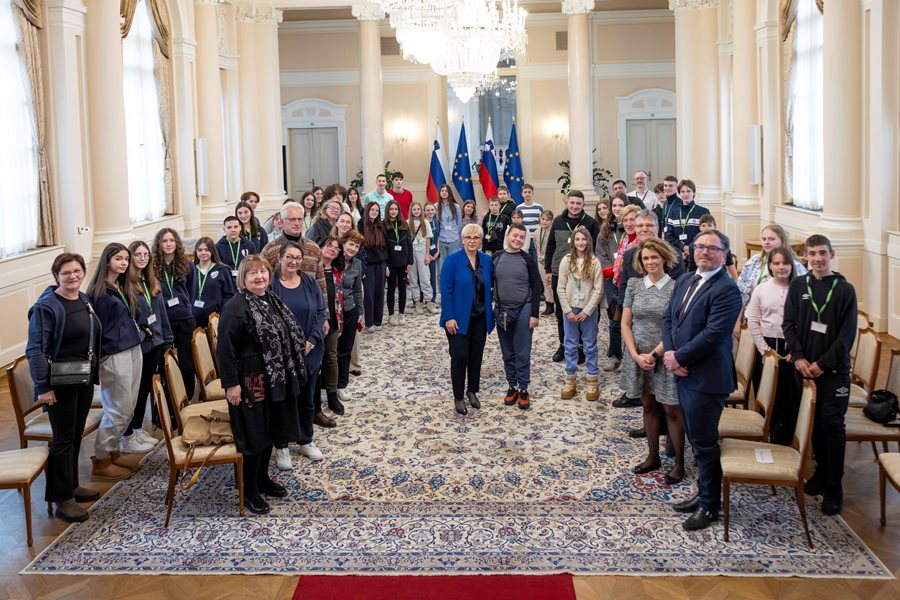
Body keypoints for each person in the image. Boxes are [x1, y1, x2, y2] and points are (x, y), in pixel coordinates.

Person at [662, 229, 742, 531]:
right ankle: (703, 494)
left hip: (706, 379)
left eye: (712, 248)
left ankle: (709, 506)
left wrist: (679, 358)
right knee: (696, 440)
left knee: (705, 444)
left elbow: (714, 334)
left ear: (724, 254)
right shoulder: (685, 280)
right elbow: (669, 318)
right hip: (683, 372)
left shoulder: (727, 289)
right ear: (692, 250)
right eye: (700, 247)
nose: (705, 252)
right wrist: (670, 353)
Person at [218, 255, 306, 514]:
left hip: (273, 376)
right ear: (243, 278)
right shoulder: (235, 307)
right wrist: (231, 385)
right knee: (254, 434)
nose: (259, 277)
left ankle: (262, 479)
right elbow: (225, 350)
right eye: (252, 273)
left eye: (263, 272)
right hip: (250, 379)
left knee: (269, 430)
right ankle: (249, 489)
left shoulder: (270, 299)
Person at [782, 234, 857, 516]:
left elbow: (846, 336)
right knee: (813, 423)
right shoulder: (799, 285)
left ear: (832, 254)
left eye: (822, 253)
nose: (817, 259)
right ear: (805, 256)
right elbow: (788, 324)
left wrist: (823, 364)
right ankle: (820, 474)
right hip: (803, 368)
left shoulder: (845, 290)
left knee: (832, 424)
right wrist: (799, 357)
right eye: (812, 253)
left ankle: (835, 486)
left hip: (833, 371)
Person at [26, 253, 102, 522]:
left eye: (77, 271)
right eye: (66, 272)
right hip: (59, 384)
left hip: (82, 378)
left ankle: (72, 486)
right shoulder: (46, 307)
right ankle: (62, 499)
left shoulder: (82, 298)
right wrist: (43, 387)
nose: (73, 276)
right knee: (62, 439)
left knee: (75, 434)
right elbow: (35, 349)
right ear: (56, 276)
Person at [621, 238, 684, 483]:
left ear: (664, 259)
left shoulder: (676, 287)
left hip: (665, 356)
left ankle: (678, 463)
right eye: (646, 258)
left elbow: (676, 327)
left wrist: (654, 354)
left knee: (671, 409)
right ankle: (652, 457)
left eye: (654, 257)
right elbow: (626, 323)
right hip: (638, 356)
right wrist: (635, 355)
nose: (650, 262)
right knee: (648, 406)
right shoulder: (634, 285)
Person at [86, 243, 145, 480]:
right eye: (119, 258)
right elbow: (97, 330)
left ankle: (113, 452)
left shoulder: (121, 286)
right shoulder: (99, 293)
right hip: (114, 353)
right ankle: (101, 459)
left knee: (129, 406)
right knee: (118, 409)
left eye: (126, 259)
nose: (124, 263)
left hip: (132, 346)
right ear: (107, 261)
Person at [270, 241, 331, 456]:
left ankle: (306, 439)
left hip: (309, 350)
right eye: (289, 257)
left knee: (307, 398)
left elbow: (320, 312)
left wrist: (312, 340)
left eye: (298, 258)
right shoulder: (271, 285)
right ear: (280, 258)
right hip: (282, 353)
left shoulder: (309, 282)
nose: (293, 262)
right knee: (283, 400)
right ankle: (281, 445)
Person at [745, 247, 800, 446]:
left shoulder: (799, 289)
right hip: (768, 346)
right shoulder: (761, 289)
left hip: (793, 348)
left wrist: (796, 351)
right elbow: (753, 321)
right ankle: (772, 432)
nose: (781, 267)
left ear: (791, 265)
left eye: (785, 263)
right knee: (771, 393)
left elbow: (804, 322)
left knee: (791, 394)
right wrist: (765, 351)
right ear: (769, 266)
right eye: (776, 263)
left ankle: (790, 436)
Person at [440, 223, 495, 415]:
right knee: (460, 356)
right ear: (462, 240)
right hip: (457, 319)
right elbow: (445, 290)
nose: (472, 241)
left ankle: (472, 390)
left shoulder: (486, 260)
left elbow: (493, 284)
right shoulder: (452, 261)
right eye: (468, 237)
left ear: (481, 241)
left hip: (480, 317)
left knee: (476, 355)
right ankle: (458, 396)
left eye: (476, 237)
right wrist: (448, 317)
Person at [544, 190, 601, 363]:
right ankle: (564, 344)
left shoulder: (591, 223)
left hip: (584, 273)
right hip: (560, 271)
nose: (575, 206)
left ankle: (582, 346)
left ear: (583, 205)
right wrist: (548, 269)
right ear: (566, 202)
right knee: (562, 310)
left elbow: (596, 248)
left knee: (585, 310)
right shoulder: (558, 221)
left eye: (578, 203)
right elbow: (550, 245)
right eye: (572, 202)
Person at [126, 241, 171, 454]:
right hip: (139, 346)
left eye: (146, 254)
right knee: (135, 391)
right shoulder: (127, 286)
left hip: (155, 343)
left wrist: (167, 340)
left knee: (145, 388)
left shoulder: (151, 282)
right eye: (138, 254)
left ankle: (137, 429)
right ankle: (128, 434)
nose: (143, 258)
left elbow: (161, 315)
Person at [493, 224, 543, 410]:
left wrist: (534, 314)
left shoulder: (527, 259)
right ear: (507, 235)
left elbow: (537, 287)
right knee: (507, 351)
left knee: (522, 351)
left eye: (522, 237)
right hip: (502, 311)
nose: (518, 239)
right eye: (515, 235)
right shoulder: (497, 257)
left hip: (524, 309)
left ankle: (523, 388)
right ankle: (512, 385)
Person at [557, 227, 604, 401]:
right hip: (570, 309)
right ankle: (570, 380)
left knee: (590, 345)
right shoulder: (566, 260)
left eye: (583, 239)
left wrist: (587, 310)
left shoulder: (595, 262)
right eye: (577, 239)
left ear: (588, 241)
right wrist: (567, 310)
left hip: (587, 311)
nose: (580, 242)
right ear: (573, 241)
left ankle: (592, 379)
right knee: (570, 344)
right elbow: (560, 287)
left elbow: (598, 289)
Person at [153, 228, 198, 401]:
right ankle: (169, 402)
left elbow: (191, 292)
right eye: (164, 241)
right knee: (165, 363)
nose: (168, 244)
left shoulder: (187, 265)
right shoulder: (152, 267)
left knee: (187, 363)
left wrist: (184, 306)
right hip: (163, 321)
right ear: (159, 244)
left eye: (171, 240)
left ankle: (187, 398)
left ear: (177, 243)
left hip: (184, 319)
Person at [260, 201, 327, 296]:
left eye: (300, 219)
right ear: (282, 221)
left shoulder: (314, 248)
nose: (297, 223)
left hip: (310, 301)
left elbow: (321, 282)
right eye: (292, 219)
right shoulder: (270, 250)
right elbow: (263, 282)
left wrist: (324, 304)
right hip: (280, 301)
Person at [736, 224, 807, 307]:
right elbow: (740, 289)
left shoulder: (794, 266)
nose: (767, 242)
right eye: (764, 239)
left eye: (771, 239)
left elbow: (803, 294)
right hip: (751, 309)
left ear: (782, 241)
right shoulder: (754, 261)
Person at [336, 230, 365, 402]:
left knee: (345, 350)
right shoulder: (333, 259)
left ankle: (341, 385)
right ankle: (326, 386)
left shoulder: (357, 264)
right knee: (331, 350)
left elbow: (357, 289)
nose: (353, 248)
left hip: (350, 309)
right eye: (351, 244)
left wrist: (360, 311)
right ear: (343, 243)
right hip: (332, 311)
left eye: (357, 246)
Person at [319, 236, 345, 417]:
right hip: (316, 320)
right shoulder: (312, 269)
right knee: (315, 360)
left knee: (331, 357)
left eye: (336, 248)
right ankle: (314, 397)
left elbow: (340, 298)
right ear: (320, 247)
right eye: (329, 245)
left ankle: (332, 395)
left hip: (334, 319)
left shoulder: (337, 270)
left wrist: (340, 322)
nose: (332, 249)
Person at [191, 237, 235, 328]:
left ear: (212, 251)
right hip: (193, 318)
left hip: (215, 318)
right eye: (200, 250)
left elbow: (229, 295)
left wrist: (222, 314)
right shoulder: (190, 270)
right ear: (196, 252)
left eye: (207, 250)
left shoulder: (222, 270)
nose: (203, 253)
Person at [664, 179, 709, 262]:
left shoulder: (703, 212)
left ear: (694, 193)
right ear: (679, 193)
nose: (685, 194)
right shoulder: (673, 212)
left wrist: (691, 248)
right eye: (683, 191)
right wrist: (683, 247)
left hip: (698, 254)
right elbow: (669, 237)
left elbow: (706, 235)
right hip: (678, 255)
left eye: (688, 191)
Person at [384, 200, 413, 325]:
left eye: (395, 209)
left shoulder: (404, 224)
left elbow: (409, 243)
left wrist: (410, 261)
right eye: (391, 209)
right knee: (391, 288)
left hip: (403, 262)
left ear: (398, 211)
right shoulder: (383, 225)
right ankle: (391, 315)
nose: (393, 211)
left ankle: (401, 314)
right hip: (391, 263)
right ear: (387, 211)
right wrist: (385, 264)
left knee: (402, 288)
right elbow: (383, 247)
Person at [359, 201, 387, 331]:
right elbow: (359, 247)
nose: (374, 212)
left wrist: (387, 265)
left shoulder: (381, 225)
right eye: (372, 210)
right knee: (369, 294)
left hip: (381, 263)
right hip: (368, 264)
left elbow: (386, 246)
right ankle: (369, 322)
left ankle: (377, 321)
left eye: (377, 210)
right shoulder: (361, 225)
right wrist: (362, 267)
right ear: (367, 210)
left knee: (380, 292)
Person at [685, 214, 737, 279]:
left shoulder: (722, 243)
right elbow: (692, 267)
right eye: (703, 225)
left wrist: (736, 280)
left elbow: (730, 264)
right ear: (700, 227)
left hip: (719, 277)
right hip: (700, 277)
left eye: (709, 225)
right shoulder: (693, 245)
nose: (706, 228)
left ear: (715, 227)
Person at [407, 201, 434, 315]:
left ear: (421, 211)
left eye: (418, 209)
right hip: (411, 251)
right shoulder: (407, 223)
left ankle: (428, 301)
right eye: (414, 209)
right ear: (411, 211)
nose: (416, 211)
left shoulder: (426, 222)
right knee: (412, 278)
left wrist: (427, 254)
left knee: (425, 277)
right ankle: (417, 301)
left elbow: (428, 239)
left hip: (422, 251)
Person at [515, 183, 544, 264]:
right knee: (524, 261)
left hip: (535, 238)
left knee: (535, 262)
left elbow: (541, 223)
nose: (527, 194)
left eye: (529, 192)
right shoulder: (519, 208)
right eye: (525, 192)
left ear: (532, 193)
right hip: (524, 238)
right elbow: (518, 224)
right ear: (522, 194)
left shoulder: (539, 207)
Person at [437, 184, 462, 272]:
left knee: (453, 263)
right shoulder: (436, 206)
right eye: (442, 191)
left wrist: (456, 235)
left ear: (449, 193)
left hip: (454, 238)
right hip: (441, 239)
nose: (444, 192)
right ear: (440, 193)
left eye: (446, 191)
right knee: (442, 264)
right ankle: (442, 281)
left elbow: (459, 223)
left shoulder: (456, 207)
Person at [536, 209, 555, 316]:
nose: (544, 221)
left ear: (551, 221)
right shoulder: (537, 231)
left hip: (550, 261)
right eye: (543, 219)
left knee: (552, 283)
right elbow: (537, 245)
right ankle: (549, 304)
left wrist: (545, 257)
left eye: (547, 220)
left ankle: (557, 303)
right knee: (545, 283)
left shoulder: (552, 232)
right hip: (540, 261)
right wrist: (539, 255)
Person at [424, 201, 441, 309]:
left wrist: (438, 250)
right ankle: (423, 298)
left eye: (432, 210)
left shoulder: (436, 222)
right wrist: (427, 254)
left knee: (433, 276)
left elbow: (437, 237)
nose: (430, 212)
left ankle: (433, 298)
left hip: (434, 252)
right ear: (424, 212)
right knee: (425, 277)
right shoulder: (423, 223)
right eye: (428, 210)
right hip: (425, 253)